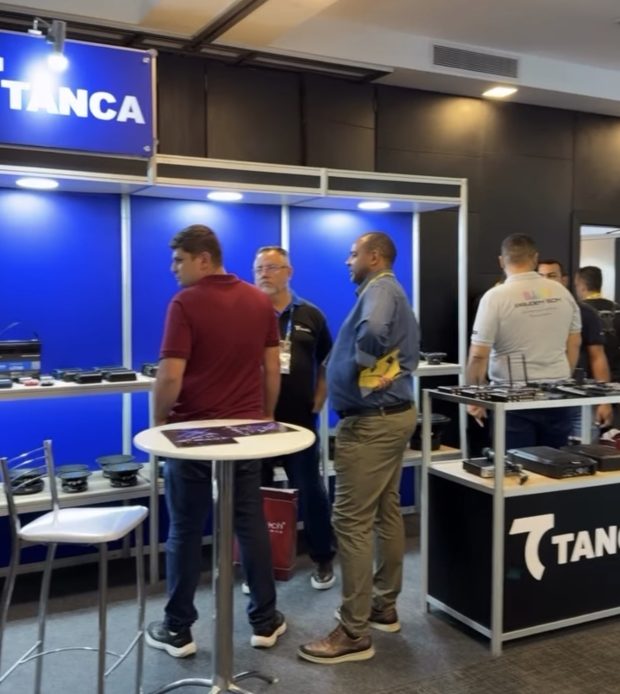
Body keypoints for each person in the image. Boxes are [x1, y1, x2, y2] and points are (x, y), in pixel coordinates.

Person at [145, 224, 285, 658]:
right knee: (250, 522)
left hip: (192, 434)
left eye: (179, 260)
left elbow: (170, 375)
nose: (173, 269)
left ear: (203, 259)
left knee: (186, 529)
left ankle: (178, 630)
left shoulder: (185, 302)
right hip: (245, 435)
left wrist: (159, 421)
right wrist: (265, 416)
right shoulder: (259, 301)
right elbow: (272, 369)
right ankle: (265, 620)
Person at [298, 231, 419, 665]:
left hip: (371, 424)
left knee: (350, 521)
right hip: (389, 417)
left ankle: (353, 631)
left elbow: (373, 333)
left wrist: (359, 371)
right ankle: (382, 606)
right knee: (386, 511)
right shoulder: (387, 289)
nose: (348, 261)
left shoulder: (381, 289)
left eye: (353, 254)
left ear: (375, 256)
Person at [253, 246, 336, 589]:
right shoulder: (246, 311)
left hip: (299, 420)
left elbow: (328, 359)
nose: (264, 274)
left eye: (271, 267)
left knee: (310, 490)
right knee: (255, 494)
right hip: (255, 422)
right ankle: (257, 566)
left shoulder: (310, 315)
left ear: (289, 272)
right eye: (259, 268)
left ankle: (323, 558)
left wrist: (320, 396)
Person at [467, 234, 581, 449]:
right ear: (535, 258)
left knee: (514, 464)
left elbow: (478, 355)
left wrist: (474, 397)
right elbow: (574, 343)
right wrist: (562, 377)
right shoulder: (562, 293)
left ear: (501, 261)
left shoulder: (495, 297)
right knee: (555, 463)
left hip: (512, 397)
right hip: (557, 394)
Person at [538, 259, 612, 431]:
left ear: (564, 280)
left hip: (578, 398)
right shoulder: (527, 313)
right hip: (538, 396)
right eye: (541, 276)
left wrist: (604, 400)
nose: (546, 281)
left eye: (552, 276)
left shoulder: (584, 312)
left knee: (583, 446)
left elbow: (597, 356)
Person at [574, 266, 620, 382]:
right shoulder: (617, 309)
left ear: (582, 286)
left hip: (588, 377)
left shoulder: (578, 311)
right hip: (616, 376)